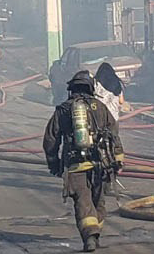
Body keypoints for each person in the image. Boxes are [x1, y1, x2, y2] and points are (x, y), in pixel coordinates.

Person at [43, 71, 125, 252]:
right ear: (90, 88)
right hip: (101, 165)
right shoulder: (101, 107)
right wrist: (118, 160)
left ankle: (90, 235)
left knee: (82, 201)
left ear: (72, 89)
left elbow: (51, 139)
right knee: (98, 203)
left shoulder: (63, 110)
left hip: (76, 165)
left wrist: (53, 163)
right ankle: (95, 233)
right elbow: (114, 135)